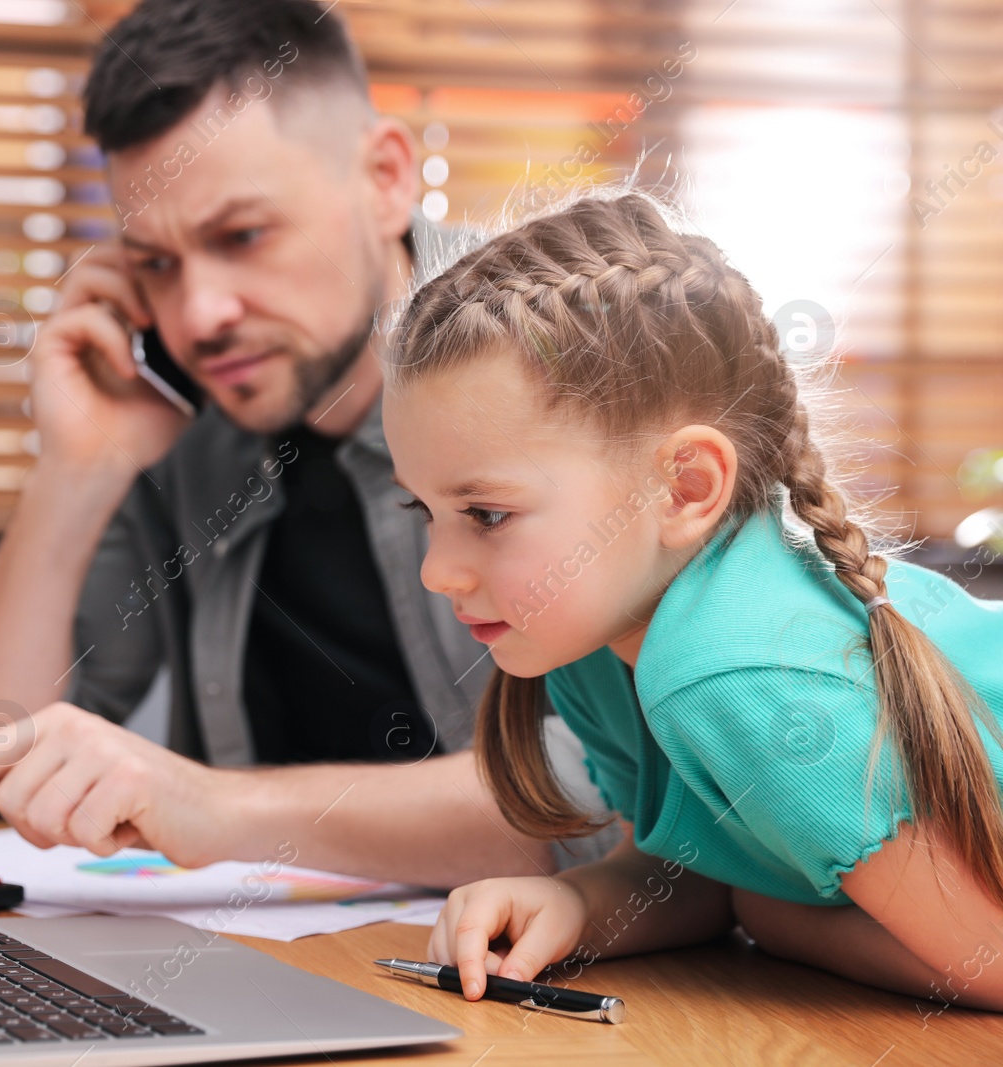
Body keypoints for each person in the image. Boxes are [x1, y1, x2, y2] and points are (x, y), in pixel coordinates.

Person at [0, 0, 621, 885]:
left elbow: (620, 795)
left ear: (387, 177)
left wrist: (224, 811)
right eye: (157, 263)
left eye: (242, 236)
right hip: (281, 950)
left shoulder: (565, 358)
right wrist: (77, 471)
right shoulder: (178, 419)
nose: (200, 315)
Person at [385, 191, 1003, 1008]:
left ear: (683, 487)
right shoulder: (595, 642)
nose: (436, 570)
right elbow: (723, 864)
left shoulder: (731, 674)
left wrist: (773, 922)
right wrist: (580, 903)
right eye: (423, 512)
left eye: (487, 515)